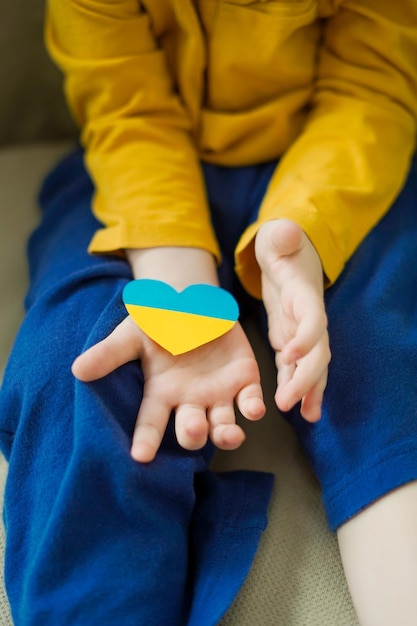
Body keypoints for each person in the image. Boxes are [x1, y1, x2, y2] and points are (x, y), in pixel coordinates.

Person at [0, 0, 416, 624]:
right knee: (78, 359)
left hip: (334, 166)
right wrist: (180, 297)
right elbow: (125, 108)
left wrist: (302, 238)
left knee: (379, 353)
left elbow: (370, 87)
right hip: (130, 170)